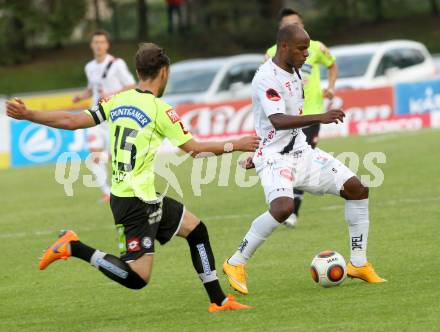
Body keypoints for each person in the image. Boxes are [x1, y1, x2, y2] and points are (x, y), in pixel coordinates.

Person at [6, 43, 261, 312]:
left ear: (138, 71)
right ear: (164, 72)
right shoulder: (160, 109)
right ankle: (74, 246)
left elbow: (70, 121)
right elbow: (195, 150)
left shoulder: (117, 100)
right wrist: (238, 143)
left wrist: (29, 114)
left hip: (142, 195)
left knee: (196, 230)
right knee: (137, 277)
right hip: (134, 203)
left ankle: (218, 300)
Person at [223, 25, 385, 296]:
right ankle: (235, 262)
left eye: (308, 48)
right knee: (284, 207)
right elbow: (277, 120)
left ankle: (358, 263)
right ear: (284, 47)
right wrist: (319, 117)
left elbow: (276, 125)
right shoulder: (266, 77)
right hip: (276, 158)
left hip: (303, 152)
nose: (306, 54)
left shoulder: (296, 70)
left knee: (357, 189)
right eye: (301, 48)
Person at [265, 8, 338, 227]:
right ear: (281, 31)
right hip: (286, 117)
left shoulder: (316, 48)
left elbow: (332, 65)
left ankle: (291, 211)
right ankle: (286, 204)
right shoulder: (271, 54)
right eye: (289, 26)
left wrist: (331, 87)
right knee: (288, 159)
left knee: (301, 158)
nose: (295, 28)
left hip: (312, 113)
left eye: (297, 24)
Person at [73, 30, 136, 203]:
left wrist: (110, 94)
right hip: (95, 116)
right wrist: (81, 96)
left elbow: (131, 85)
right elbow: (92, 89)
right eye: (96, 42)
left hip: (115, 116)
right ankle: (106, 192)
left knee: (115, 156)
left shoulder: (117, 64)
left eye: (102, 42)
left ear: (107, 45)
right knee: (93, 153)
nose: (99, 45)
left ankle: (125, 190)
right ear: (91, 45)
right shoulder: (89, 67)